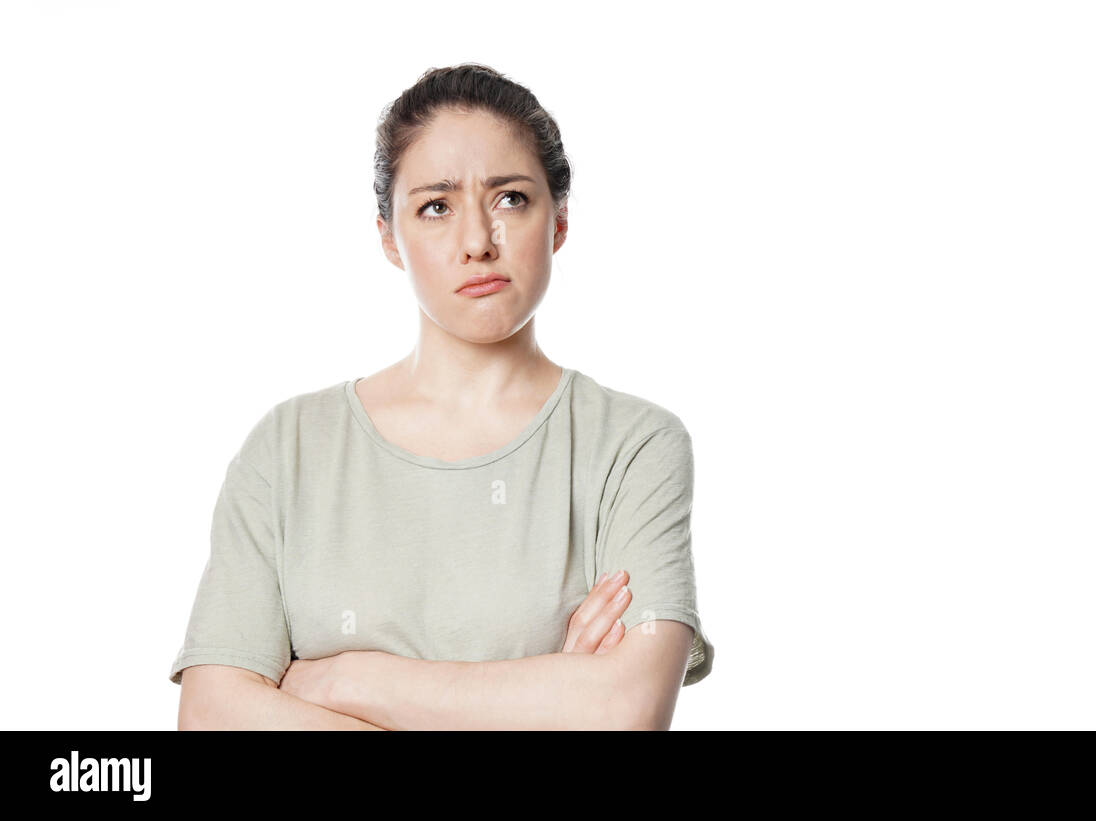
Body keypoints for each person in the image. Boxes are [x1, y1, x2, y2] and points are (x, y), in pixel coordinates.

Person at [168, 63, 714, 730]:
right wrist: (540, 702)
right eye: (436, 206)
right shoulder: (289, 449)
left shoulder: (633, 445)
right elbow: (211, 716)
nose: (479, 242)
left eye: (511, 198)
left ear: (560, 221)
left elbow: (623, 709)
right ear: (389, 238)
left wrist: (346, 679)